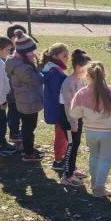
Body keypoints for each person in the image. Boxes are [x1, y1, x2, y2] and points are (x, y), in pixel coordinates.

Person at [70, 62, 111, 197]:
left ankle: (95, 182)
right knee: (105, 159)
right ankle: (99, 187)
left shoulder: (82, 93)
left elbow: (74, 114)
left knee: (94, 156)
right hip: (108, 131)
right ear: (104, 74)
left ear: (87, 75)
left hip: (90, 131)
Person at [5, 29, 44, 162]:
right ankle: (28, 152)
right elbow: (36, 80)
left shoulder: (17, 61)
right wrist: (40, 70)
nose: (33, 54)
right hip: (28, 102)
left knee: (27, 127)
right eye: (31, 52)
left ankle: (29, 147)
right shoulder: (22, 68)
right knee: (29, 128)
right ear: (23, 53)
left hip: (25, 100)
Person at [59, 49, 91, 186]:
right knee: (71, 146)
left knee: (76, 144)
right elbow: (68, 106)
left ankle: (72, 169)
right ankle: (66, 176)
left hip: (77, 119)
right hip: (69, 120)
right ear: (78, 67)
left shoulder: (79, 80)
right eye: (87, 68)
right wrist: (73, 123)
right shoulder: (69, 82)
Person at [40, 43, 70, 172]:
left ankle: (60, 157)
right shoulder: (56, 73)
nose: (67, 58)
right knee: (61, 135)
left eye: (67, 55)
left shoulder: (52, 69)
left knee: (60, 134)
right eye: (64, 55)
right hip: (59, 109)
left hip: (55, 108)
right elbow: (58, 93)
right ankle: (59, 160)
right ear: (54, 56)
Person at [5, 24, 28, 146]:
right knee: (14, 110)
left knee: (17, 110)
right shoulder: (9, 53)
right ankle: (13, 132)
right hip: (12, 89)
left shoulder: (19, 51)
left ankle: (15, 131)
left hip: (19, 89)